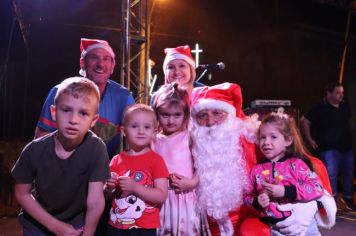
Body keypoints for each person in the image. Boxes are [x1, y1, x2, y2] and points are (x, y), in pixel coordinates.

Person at [189, 82, 336, 236]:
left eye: (217, 113)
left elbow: (314, 172)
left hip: (262, 222)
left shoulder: (249, 141)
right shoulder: (190, 144)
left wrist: (307, 206)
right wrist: (257, 201)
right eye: (202, 115)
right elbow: (249, 195)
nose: (210, 122)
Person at [11, 77, 110, 235]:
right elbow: (22, 193)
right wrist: (56, 227)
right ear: (53, 112)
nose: (73, 120)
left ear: (94, 120)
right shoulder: (34, 150)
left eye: (83, 113)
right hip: (38, 223)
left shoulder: (97, 149)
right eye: (66, 110)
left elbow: (95, 202)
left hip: (76, 226)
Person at [35, 38, 135, 158]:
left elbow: (135, 139)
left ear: (112, 66)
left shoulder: (124, 98)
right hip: (62, 164)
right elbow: (42, 135)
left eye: (106, 59)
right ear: (83, 63)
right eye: (94, 57)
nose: (100, 64)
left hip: (105, 168)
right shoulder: (60, 92)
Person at [245, 112, 324, 236]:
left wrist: (286, 191)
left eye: (273, 137)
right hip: (274, 228)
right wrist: (256, 201)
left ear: (287, 140)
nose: (266, 142)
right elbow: (246, 197)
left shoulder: (297, 164)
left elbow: (317, 188)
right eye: (262, 137)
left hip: (303, 227)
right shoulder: (256, 170)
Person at [151, 83, 209, 235]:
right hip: (162, 200)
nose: (171, 121)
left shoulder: (189, 137)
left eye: (177, 115)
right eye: (165, 115)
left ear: (185, 114)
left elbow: (201, 167)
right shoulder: (154, 140)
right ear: (156, 114)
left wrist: (191, 183)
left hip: (186, 199)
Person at [104, 104, 169, 235]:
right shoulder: (116, 160)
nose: (141, 131)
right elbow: (106, 196)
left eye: (147, 127)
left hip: (143, 229)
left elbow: (161, 196)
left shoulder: (156, 160)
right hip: (116, 226)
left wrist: (135, 187)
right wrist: (109, 187)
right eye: (134, 126)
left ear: (154, 132)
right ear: (123, 130)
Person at [300, 82, 355, 210]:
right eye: (337, 92)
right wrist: (309, 139)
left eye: (342, 92)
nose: (341, 95)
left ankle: (348, 198)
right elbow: (304, 121)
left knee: (349, 172)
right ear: (328, 93)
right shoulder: (319, 107)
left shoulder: (345, 106)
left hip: (346, 147)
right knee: (331, 174)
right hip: (329, 148)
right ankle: (332, 202)